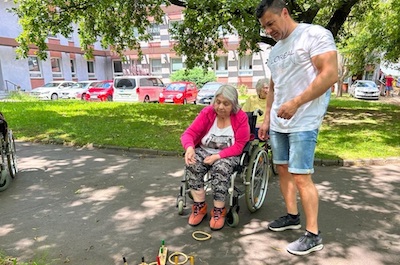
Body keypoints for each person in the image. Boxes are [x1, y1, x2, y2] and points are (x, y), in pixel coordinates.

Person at [256, 0, 338, 256]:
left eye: (271, 23)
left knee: (301, 175)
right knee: (282, 169)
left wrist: (296, 103)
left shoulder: (314, 34)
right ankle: (292, 215)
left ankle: (313, 234)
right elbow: (275, 87)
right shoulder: (275, 51)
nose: (269, 30)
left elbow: (330, 74)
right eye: (264, 27)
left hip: (304, 119)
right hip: (280, 121)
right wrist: (267, 119)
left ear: (285, 12)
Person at [181, 84, 250, 230]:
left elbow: (239, 145)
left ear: (234, 104)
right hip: (205, 150)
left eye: (226, 103)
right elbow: (189, 134)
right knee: (193, 163)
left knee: (221, 167)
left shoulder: (240, 117)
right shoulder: (207, 113)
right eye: (218, 102)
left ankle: (219, 210)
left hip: (228, 154)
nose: (220, 107)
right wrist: (189, 148)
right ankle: (199, 206)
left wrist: (217, 156)